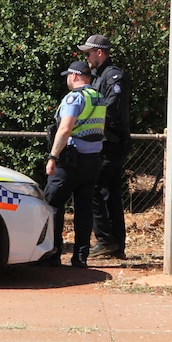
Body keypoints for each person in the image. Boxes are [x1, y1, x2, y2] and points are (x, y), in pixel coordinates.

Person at [41, 60, 106, 268]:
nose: (68, 79)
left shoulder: (74, 98)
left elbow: (65, 128)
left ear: (75, 76)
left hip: (70, 161)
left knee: (52, 203)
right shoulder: (98, 97)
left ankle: (52, 254)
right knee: (84, 209)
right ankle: (80, 257)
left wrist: (52, 157)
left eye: (68, 76)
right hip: (93, 160)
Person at [78, 34, 131, 259]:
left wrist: (85, 119)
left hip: (112, 142)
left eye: (88, 53)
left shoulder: (113, 77)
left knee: (93, 188)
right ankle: (116, 244)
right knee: (110, 193)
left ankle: (105, 240)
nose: (86, 58)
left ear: (99, 52)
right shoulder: (100, 76)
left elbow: (112, 109)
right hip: (105, 142)